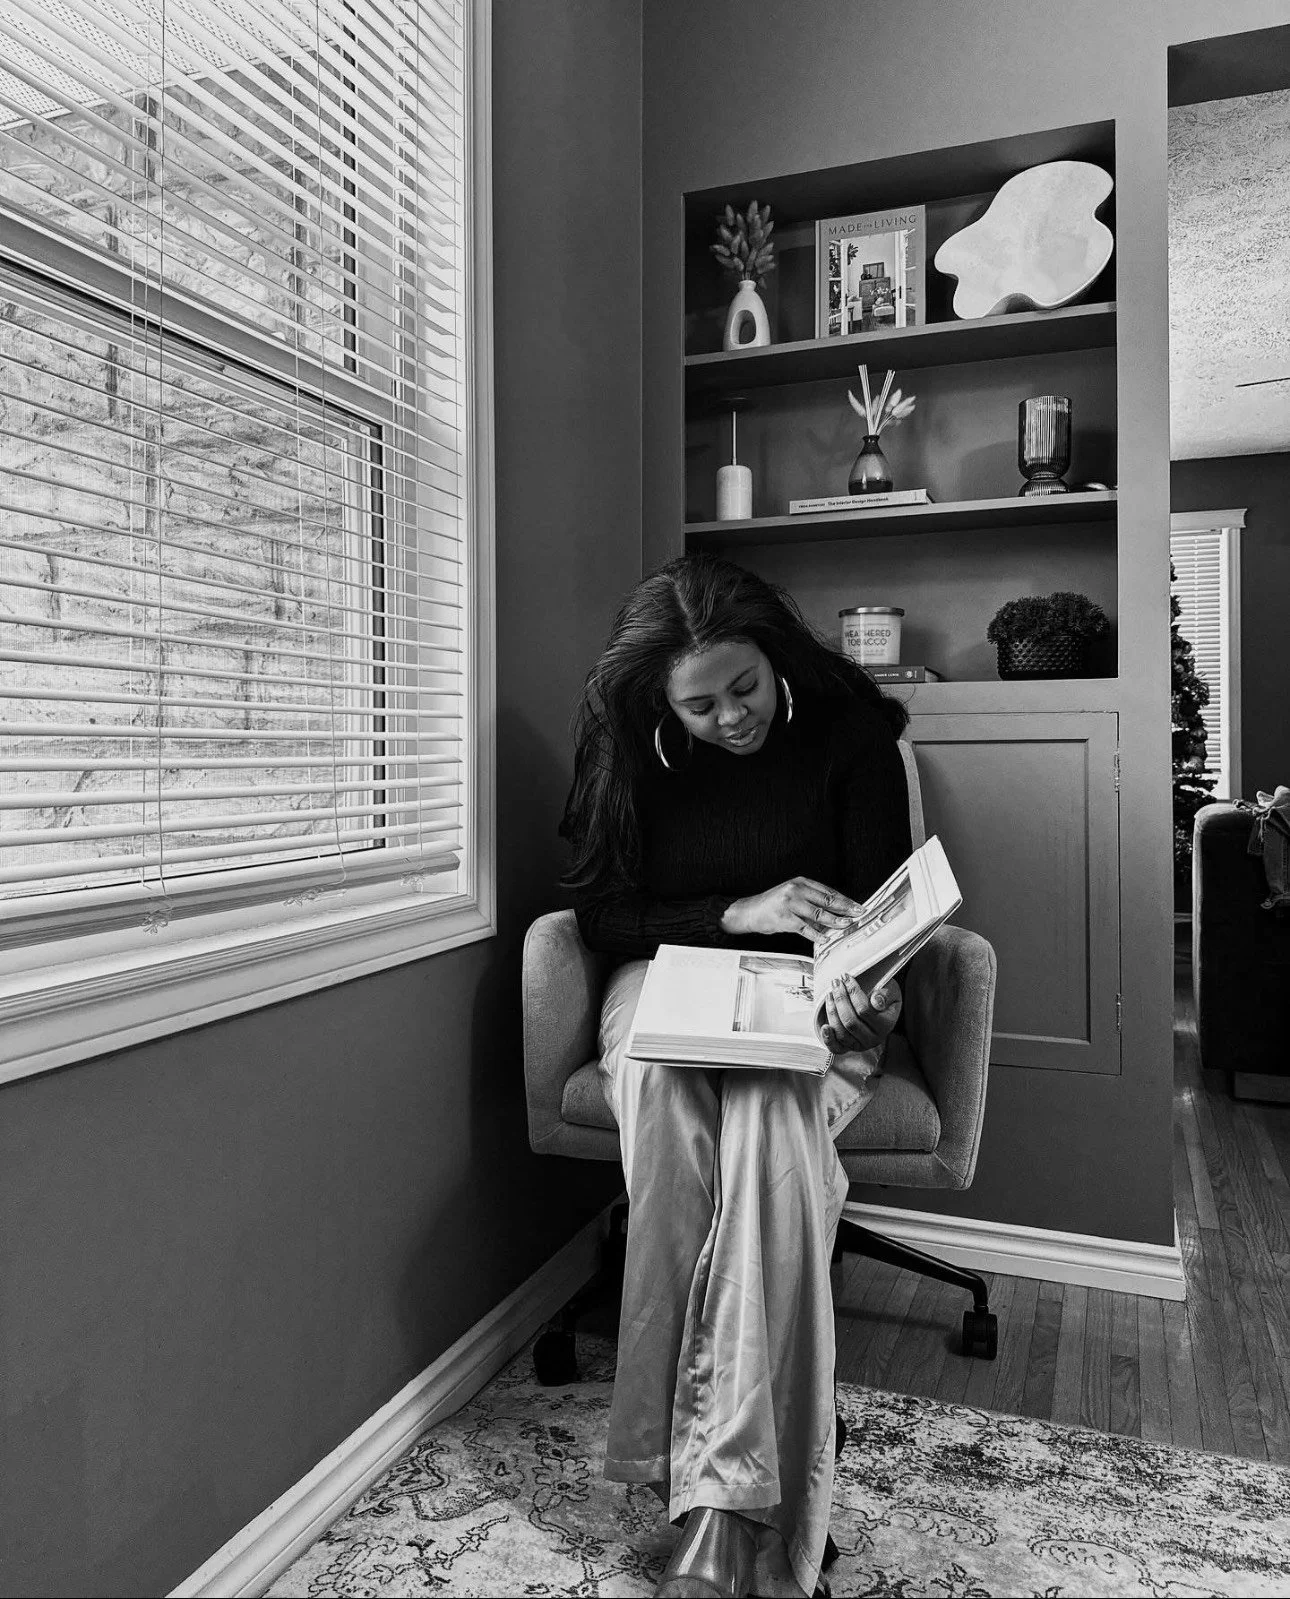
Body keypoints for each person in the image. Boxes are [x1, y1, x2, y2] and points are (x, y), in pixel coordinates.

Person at [559, 554, 912, 1599]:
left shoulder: (850, 731)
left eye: (745, 689)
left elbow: (875, 914)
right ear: (659, 702)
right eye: (701, 706)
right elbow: (599, 916)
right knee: (668, 1095)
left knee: (767, 1120)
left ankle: (719, 1507)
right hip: (662, 978)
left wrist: (867, 988)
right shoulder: (621, 743)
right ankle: (728, 1495)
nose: (732, 718)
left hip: (808, 995)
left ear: (775, 656)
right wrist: (733, 911)